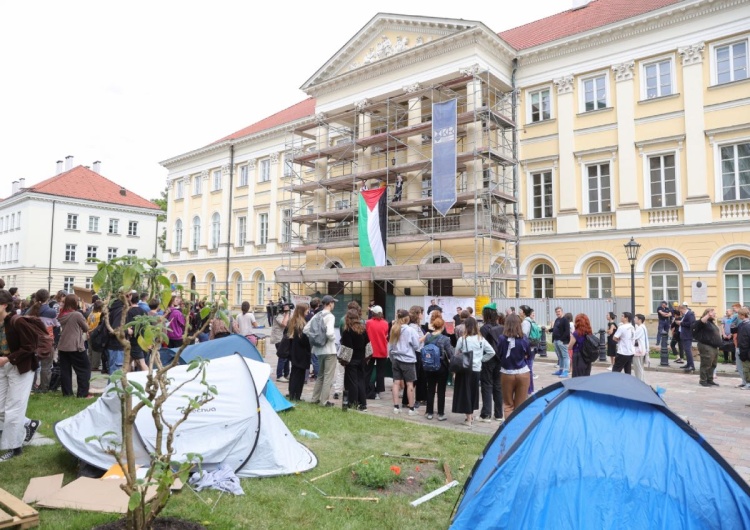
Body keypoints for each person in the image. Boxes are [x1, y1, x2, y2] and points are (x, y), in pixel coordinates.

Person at [0, 290, 41, 462]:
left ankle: (14, 447)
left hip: (21, 367)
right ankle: (28, 424)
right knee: (1, 408)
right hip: (3, 367)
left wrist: (8, 358)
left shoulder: (18, 321)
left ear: (3, 305)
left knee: (14, 408)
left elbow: (30, 347)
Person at [452, 317, 494, 427]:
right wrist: (481, 359)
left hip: (465, 367)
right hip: (477, 368)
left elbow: (456, 353)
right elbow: (491, 352)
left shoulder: (462, 339)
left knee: (465, 392)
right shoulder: (481, 339)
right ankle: (471, 415)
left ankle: (469, 418)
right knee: (473, 392)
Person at [304, 295, 337, 407]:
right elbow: (329, 333)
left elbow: (306, 329)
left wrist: (316, 338)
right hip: (329, 349)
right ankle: (324, 401)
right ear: (330, 303)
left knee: (320, 376)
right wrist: (333, 339)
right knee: (328, 376)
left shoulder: (317, 315)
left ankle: (315, 398)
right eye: (333, 303)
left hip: (319, 349)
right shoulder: (330, 316)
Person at [496, 314, 531, 419]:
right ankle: (519, 430)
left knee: (508, 405)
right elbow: (529, 354)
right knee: (520, 406)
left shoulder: (502, 338)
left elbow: (499, 354)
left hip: (507, 373)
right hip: (523, 372)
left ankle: (508, 430)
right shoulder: (524, 338)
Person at [57, 294, 91, 396]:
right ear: (75, 303)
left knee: (65, 371)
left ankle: (67, 393)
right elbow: (86, 328)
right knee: (84, 369)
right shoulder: (76, 315)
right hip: (76, 346)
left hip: (63, 346)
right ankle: (83, 393)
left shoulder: (62, 314)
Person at [26, 289, 59, 392]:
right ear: (48, 298)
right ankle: (44, 388)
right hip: (47, 341)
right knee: (46, 366)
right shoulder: (51, 312)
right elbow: (56, 324)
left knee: (33, 365)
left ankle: (31, 386)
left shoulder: (30, 310)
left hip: (33, 340)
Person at [388, 308, 420, 416]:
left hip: (396, 359)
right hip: (408, 360)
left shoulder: (394, 328)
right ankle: (411, 408)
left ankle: (396, 407)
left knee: (396, 383)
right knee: (409, 384)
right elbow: (416, 345)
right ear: (407, 318)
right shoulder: (410, 330)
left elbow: (391, 345)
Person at [422, 314, 453, 421]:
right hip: (441, 367)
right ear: (443, 326)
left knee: (430, 389)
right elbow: (450, 354)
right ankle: (440, 413)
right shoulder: (445, 339)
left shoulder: (428, 337)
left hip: (429, 366)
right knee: (441, 390)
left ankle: (429, 412)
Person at [340, 308, 370, 411]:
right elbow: (368, 345)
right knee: (361, 381)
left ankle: (353, 403)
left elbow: (346, 348)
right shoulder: (363, 330)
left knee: (352, 383)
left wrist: (343, 361)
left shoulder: (347, 331)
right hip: (361, 359)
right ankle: (363, 404)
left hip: (351, 360)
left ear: (347, 318)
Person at [478, 303, 502, 422]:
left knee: (486, 385)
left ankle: (486, 414)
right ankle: (499, 414)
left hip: (487, 360)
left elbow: (481, 346)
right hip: (499, 360)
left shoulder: (483, 328)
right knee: (498, 385)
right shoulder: (500, 328)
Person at [286, 304, 311, 401]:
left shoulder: (293, 321)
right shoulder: (301, 323)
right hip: (301, 352)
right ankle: (296, 395)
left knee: (294, 373)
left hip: (294, 351)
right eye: (306, 310)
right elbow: (303, 339)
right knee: (299, 374)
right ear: (302, 311)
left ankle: (292, 393)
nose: (308, 312)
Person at [694, 308, 723, 387]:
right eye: (713, 313)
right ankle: (703, 380)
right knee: (706, 364)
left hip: (714, 346)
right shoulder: (703, 322)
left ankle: (710, 379)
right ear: (708, 314)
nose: (715, 315)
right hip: (706, 346)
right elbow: (701, 322)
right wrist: (708, 315)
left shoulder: (711, 323)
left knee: (713, 364)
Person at [365, 305, 389, 400]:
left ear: (373, 313)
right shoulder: (386, 323)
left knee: (368, 371)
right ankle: (379, 391)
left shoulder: (368, 323)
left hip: (370, 350)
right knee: (380, 372)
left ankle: (366, 388)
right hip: (382, 349)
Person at [125, 293, 149, 371]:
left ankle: (149, 377)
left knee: (142, 362)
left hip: (134, 340)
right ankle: (127, 378)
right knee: (128, 361)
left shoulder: (129, 312)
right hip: (142, 338)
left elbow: (129, 327)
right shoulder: (143, 310)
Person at [271, 303, 291, 382]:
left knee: (287, 356)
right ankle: (279, 375)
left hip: (284, 338)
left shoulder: (283, 314)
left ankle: (286, 374)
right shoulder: (278, 315)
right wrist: (287, 313)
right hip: (279, 339)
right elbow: (284, 324)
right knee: (282, 356)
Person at [568, 313, 593, 378]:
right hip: (587, 356)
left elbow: (570, 346)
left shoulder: (576, 333)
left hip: (578, 356)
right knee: (586, 375)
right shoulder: (589, 332)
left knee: (577, 376)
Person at [551, 307, 570, 377]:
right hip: (556, 340)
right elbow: (555, 328)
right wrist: (549, 330)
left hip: (562, 341)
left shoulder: (565, 320)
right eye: (556, 312)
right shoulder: (557, 320)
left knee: (565, 356)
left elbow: (567, 331)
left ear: (562, 312)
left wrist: (562, 339)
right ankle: (561, 370)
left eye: (559, 311)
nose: (557, 313)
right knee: (560, 356)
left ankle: (566, 371)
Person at [87, 300, 104, 372]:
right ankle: (95, 366)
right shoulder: (99, 315)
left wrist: (88, 331)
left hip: (89, 333)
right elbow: (98, 325)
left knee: (90, 349)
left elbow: (87, 323)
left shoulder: (91, 314)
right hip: (96, 333)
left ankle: (90, 364)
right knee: (96, 350)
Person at [678, 304, 696, 373]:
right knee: (686, 350)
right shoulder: (685, 315)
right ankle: (688, 364)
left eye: (680, 311)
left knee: (688, 350)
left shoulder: (690, 314)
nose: (680, 312)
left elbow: (691, 324)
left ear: (683, 309)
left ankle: (691, 365)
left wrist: (681, 323)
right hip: (684, 334)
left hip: (687, 335)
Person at [736, 307, 750, 390]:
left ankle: (748, 383)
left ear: (742, 315)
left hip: (746, 350)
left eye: (738, 314)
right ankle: (745, 382)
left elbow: (745, 339)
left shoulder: (747, 325)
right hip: (742, 348)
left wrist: (743, 350)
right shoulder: (742, 324)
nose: (738, 316)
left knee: (746, 368)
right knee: (744, 367)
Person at [632, 314, 650, 382]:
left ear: (639, 320)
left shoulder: (640, 328)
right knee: (640, 367)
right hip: (642, 350)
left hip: (639, 350)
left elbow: (634, 337)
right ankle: (641, 381)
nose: (634, 319)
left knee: (638, 368)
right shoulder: (643, 327)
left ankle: (640, 382)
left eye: (635, 318)